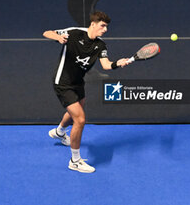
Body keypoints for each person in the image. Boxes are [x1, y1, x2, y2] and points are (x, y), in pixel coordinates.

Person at [43, 11, 130, 173]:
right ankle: (75, 161)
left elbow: (106, 65)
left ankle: (59, 132)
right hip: (63, 82)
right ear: (93, 24)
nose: (105, 29)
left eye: (106, 27)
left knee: (77, 110)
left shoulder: (101, 45)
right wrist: (58, 38)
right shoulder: (75, 33)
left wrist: (118, 63)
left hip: (78, 82)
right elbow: (47, 32)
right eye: (102, 26)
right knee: (80, 119)